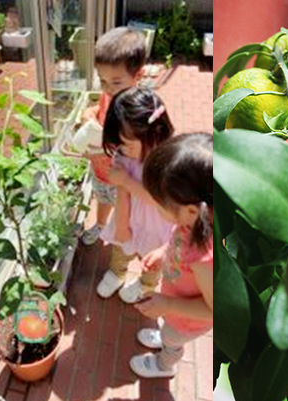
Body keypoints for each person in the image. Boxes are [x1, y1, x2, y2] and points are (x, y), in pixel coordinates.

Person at [128, 132, 213, 379]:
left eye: (160, 204)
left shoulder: (205, 257)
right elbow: (178, 241)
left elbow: (212, 310)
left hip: (186, 321)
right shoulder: (193, 223)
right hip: (174, 311)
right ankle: (165, 337)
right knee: (168, 330)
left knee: (172, 339)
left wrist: (167, 305)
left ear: (190, 210)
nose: (157, 208)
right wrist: (163, 252)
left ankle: (165, 365)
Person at [96, 86, 175, 300]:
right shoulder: (124, 154)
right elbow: (122, 190)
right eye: (119, 144)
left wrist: (125, 181)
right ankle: (117, 272)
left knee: (151, 260)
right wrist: (122, 227)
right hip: (127, 214)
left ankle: (147, 284)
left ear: (154, 134)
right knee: (120, 247)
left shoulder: (168, 162)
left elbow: (160, 202)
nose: (122, 150)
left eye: (128, 145)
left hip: (157, 225)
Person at [80, 27, 146, 246]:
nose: (108, 88)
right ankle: (99, 225)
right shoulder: (109, 94)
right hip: (101, 169)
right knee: (103, 198)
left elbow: (134, 148)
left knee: (124, 207)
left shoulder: (137, 110)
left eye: (116, 82)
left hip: (123, 175)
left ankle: (123, 236)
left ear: (138, 76)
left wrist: (99, 149)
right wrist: (90, 114)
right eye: (103, 80)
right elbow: (99, 110)